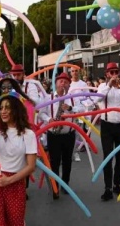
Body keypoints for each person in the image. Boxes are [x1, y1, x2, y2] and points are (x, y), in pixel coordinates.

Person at [0, 90, 37, 226]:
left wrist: (9, 180)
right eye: (1, 108)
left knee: (15, 223)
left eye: (7, 107)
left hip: (15, 183)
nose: (3, 111)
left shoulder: (28, 134)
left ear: (16, 110)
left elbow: (31, 166)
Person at [39, 72, 82, 200]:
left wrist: (70, 108)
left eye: (65, 81)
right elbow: (41, 113)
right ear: (56, 83)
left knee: (67, 160)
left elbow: (81, 110)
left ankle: (65, 184)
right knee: (54, 162)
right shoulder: (48, 97)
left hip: (69, 134)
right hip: (54, 134)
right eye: (60, 81)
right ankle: (55, 186)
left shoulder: (73, 98)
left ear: (69, 85)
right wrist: (49, 119)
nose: (63, 83)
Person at [96, 62, 120, 201]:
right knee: (107, 156)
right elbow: (98, 99)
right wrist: (108, 86)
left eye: (116, 72)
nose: (114, 75)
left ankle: (117, 184)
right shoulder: (102, 86)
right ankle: (107, 188)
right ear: (107, 74)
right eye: (111, 72)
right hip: (107, 125)